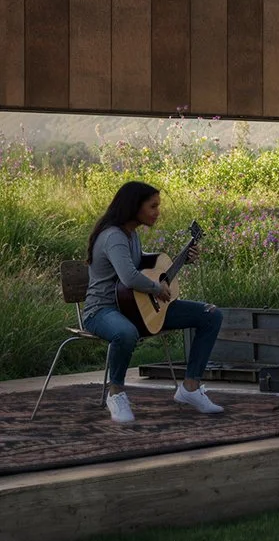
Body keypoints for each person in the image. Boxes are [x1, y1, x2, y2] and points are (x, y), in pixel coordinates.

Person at [84, 180, 225, 423]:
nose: (157, 212)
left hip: (136, 308)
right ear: (134, 207)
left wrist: (182, 261)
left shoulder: (132, 235)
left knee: (210, 314)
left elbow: (142, 267)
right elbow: (129, 277)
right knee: (126, 333)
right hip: (102, 311)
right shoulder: (113, 236)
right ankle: (116, 393)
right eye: (153, 206)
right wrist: (156, 288)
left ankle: (190, 388)